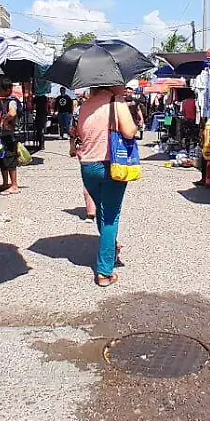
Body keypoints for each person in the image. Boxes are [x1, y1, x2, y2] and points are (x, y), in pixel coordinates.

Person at [75, 86, 137, 286]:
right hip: (110, 165)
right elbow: (129, 132)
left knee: (102, 211)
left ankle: (110, 245)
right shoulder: (115, 102)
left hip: (87, 167)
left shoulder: (85, 105)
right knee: (111, 215)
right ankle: (105, 272)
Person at [0, 80, 22, 195]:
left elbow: (12, 113)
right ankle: (5, 183)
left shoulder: (11, 101)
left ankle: (14, 185)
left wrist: (4, 121)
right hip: (3, 135)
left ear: (7, 90)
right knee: (2, 159)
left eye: (0, 90)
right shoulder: (3, 101)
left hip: (10, 135)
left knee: (10, 159)